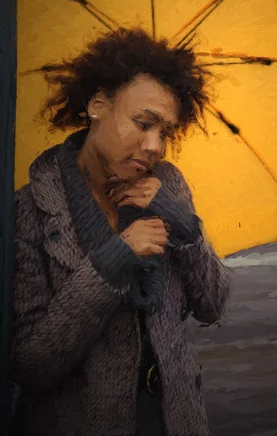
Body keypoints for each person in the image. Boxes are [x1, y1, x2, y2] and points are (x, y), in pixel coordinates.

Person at [11, 28, 232, 436]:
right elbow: (33, 364)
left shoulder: (168, 186)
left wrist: (183, 226)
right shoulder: (31, 211)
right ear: (98, 105)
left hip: (174, 421)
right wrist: (114, 260)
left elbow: (212, 305)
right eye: (143, 123)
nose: (155, 146)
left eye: (165, 131)